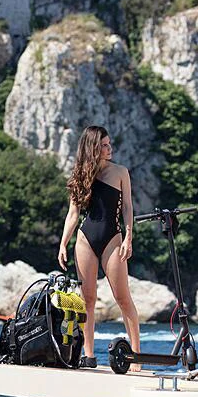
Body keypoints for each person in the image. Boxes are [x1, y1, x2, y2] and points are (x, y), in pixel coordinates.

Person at [57, 126, 141, 370]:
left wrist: (128, 238)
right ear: (92, 147)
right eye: (104, 145)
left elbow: (127, 208)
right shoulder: (81, 175)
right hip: (85, 239)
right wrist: (63, 243)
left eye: (109, 144)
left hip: (113, 238)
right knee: (87, 300)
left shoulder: (120, 172)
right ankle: (89, 355)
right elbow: (73, 214)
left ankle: (136, 356)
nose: (109, 149)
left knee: (123, 298)